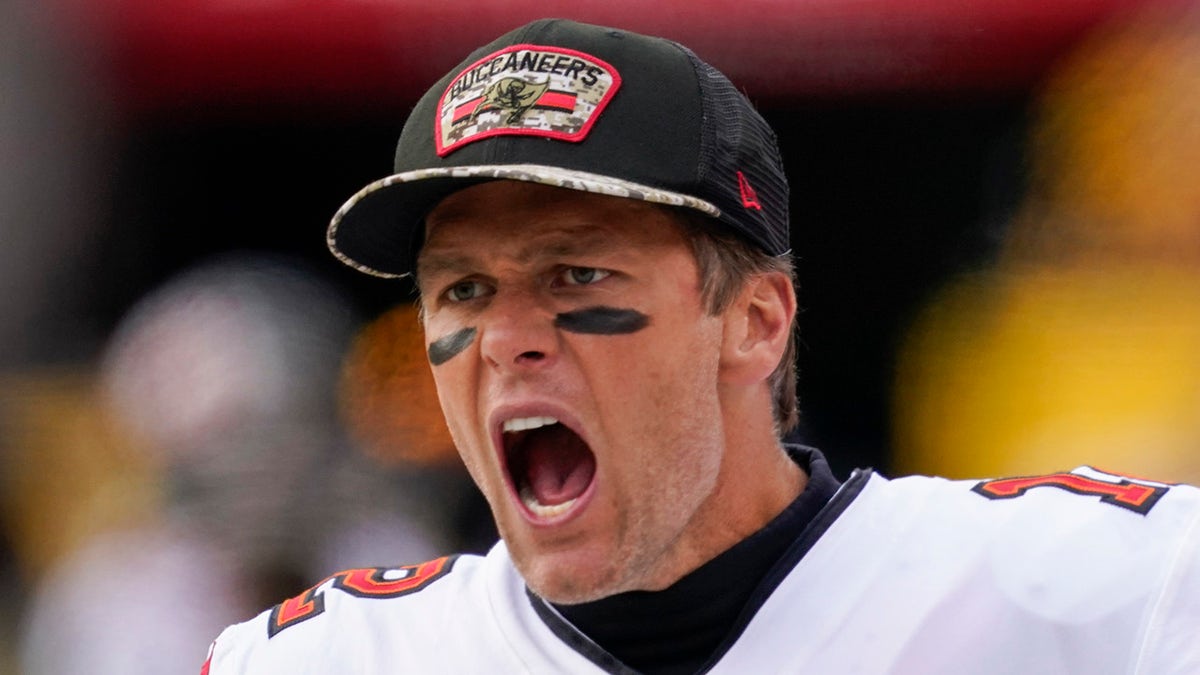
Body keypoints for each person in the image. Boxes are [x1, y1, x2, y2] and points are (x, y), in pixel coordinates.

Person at [203, 18, 1200, 674]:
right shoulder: (329, 659)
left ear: (757, 322)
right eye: (462, 289)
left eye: (574, 276)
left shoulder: (1104, 588)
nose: (505, 339)